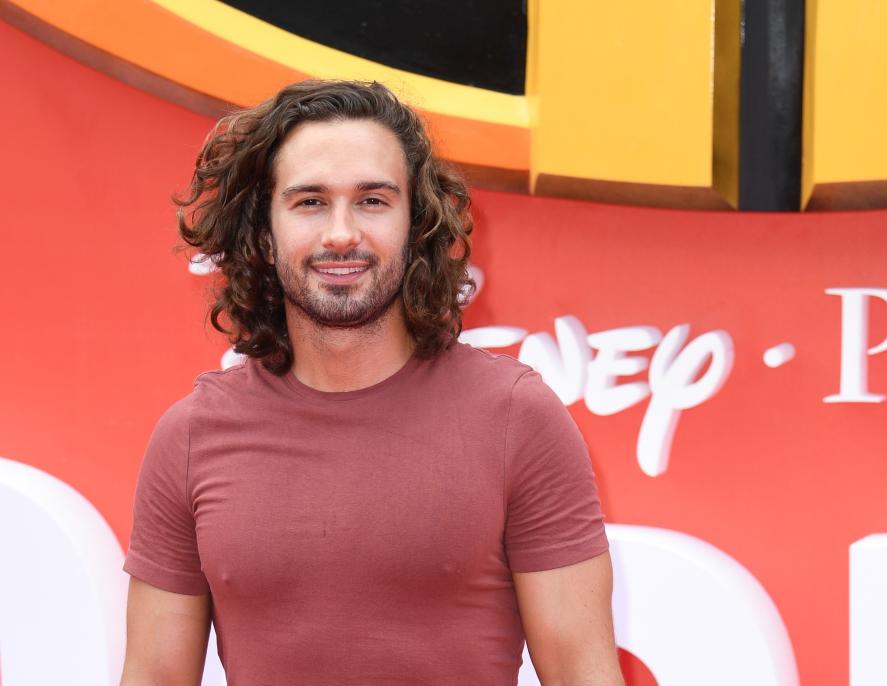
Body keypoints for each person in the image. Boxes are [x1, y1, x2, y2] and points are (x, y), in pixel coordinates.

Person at [119, 79, 623, 686]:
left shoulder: (517, 418)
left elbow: (582, 675)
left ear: (417, 223)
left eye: (372, 201)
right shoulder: (191, 437)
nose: (340, 234)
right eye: (309, 202)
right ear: (263, 228)